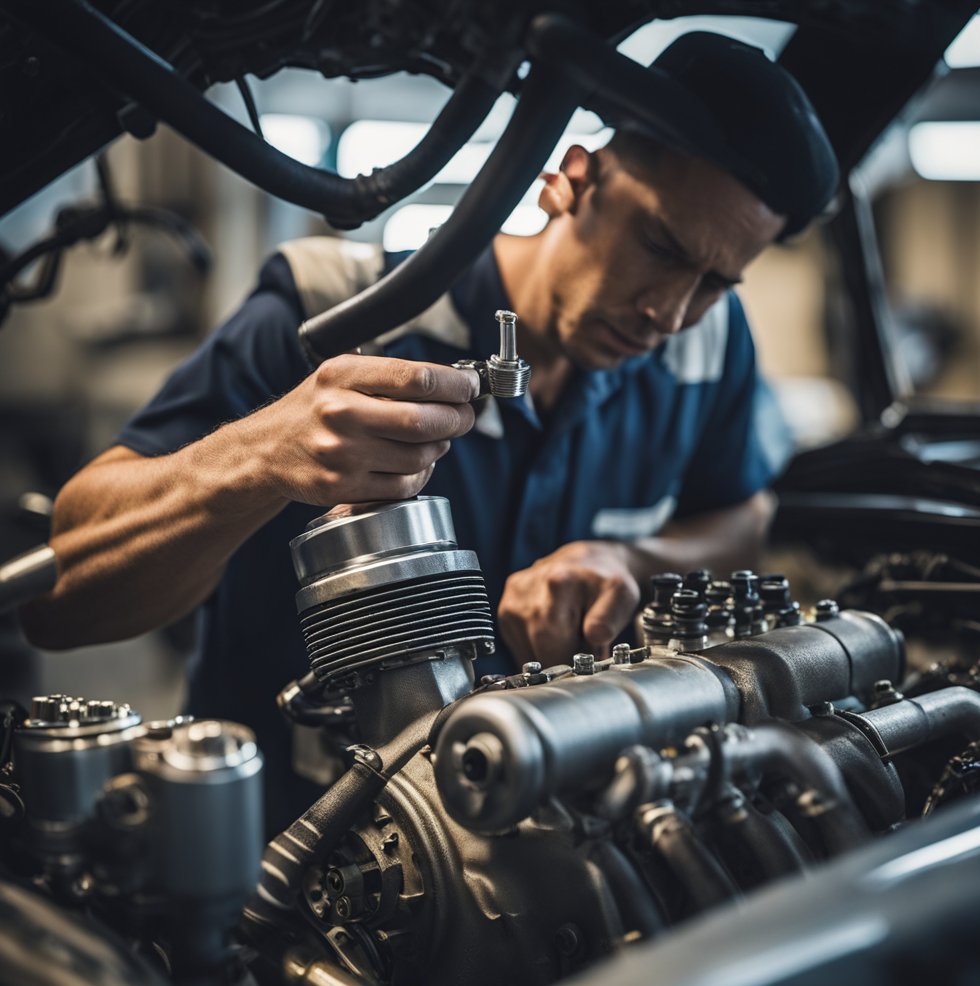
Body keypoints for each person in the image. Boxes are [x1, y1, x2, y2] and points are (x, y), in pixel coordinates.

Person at [20, 32, 838, 827]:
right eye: (660, 246)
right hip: (286, 863)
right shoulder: (328, 312)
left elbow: (743, 522)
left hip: (537, 850)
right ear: (571, 181)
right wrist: (261, 456)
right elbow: (61, 604)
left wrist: (630, 557)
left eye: (714, 283)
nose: (670, 312)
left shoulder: (708, 348)